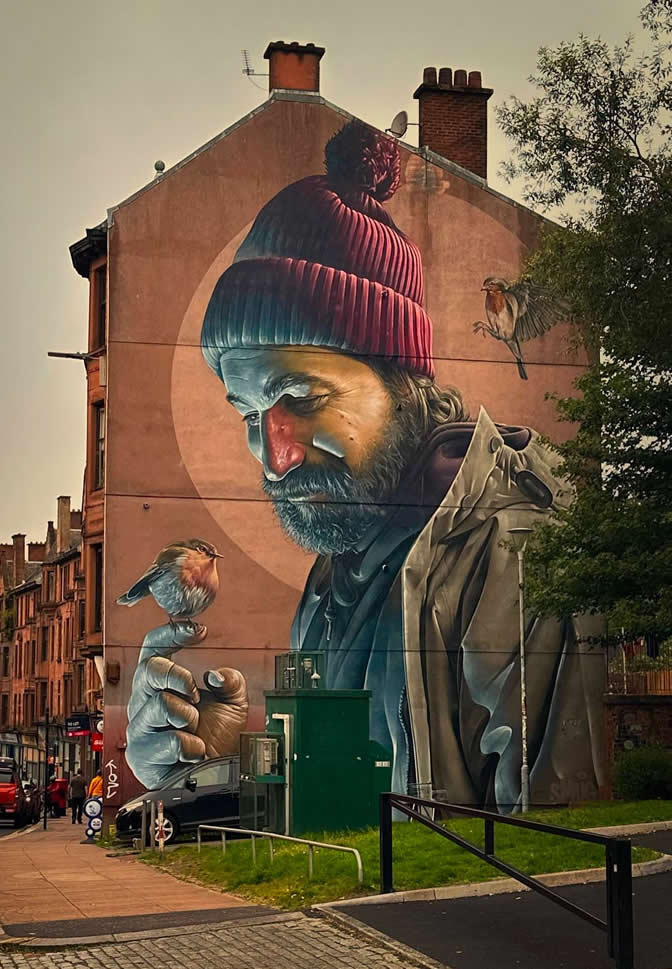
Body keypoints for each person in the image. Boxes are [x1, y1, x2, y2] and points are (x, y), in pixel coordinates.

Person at [126, 121, 605, 812]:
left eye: (298, 397)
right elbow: (330, 807)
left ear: (400, 374)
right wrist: (211, 763)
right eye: (248, 414)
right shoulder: (341, 563)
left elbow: (556, 864)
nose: (276, 454)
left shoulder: (518, 548)